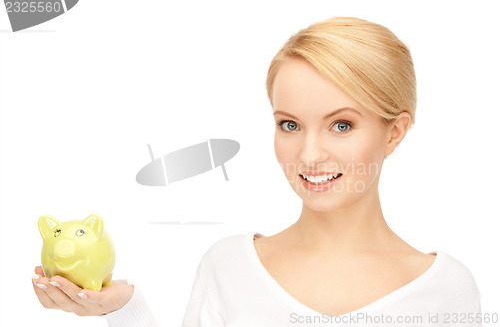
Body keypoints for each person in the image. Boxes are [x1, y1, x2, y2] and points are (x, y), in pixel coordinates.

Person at [32, 16, 482, 326]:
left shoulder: (447, 290)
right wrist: (123, 310)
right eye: (290, 124)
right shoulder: (227, 268)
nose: (308, 156)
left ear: (394, 132)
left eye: (340, 124)